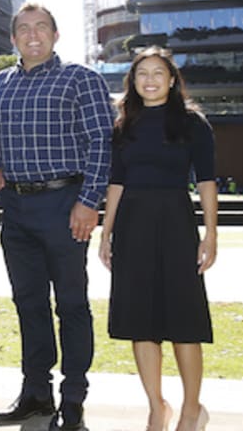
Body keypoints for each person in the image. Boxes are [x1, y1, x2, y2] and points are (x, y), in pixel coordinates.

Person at [0, 3, 113, 431]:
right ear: (13, 38)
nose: (32, 35)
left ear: (56, 35)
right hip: (16, 209)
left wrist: (89, 201)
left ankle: (72, 399)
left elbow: (101, 143)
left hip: (66, 204)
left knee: (72, 305)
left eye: (41, 27)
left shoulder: (81, 79)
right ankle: (36, 392)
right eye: (23, 28)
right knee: (28, 303)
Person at [99, 47, 216, 431]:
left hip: (177, 224)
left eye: (157, 73)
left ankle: (192, 409)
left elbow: (206, 181)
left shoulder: (192, 123)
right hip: (132, 226)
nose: (149, 80)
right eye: (141, 74)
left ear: (171, 79)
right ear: (132, 82)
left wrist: (211, 233)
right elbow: (115, 182)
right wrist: (106, 233)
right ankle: (156, 407)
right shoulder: (123, 126)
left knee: (184, 319)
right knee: (140, 320)